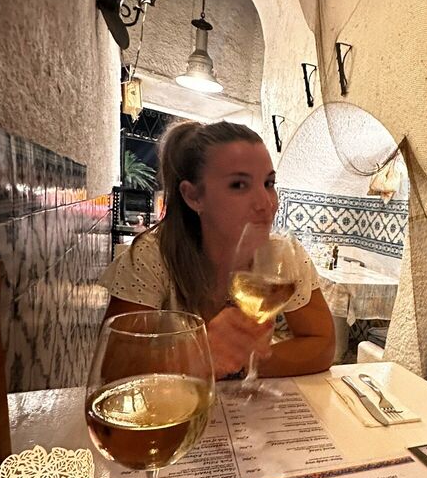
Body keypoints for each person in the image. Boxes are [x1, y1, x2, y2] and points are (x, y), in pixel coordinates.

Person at [100, 120, 335, 380]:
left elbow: (322, 345)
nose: (266, 203)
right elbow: (113, 367)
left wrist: (240, 363)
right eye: (239, 185)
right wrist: (203, 355)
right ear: (193, 196)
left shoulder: (283, 257)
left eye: (268, 183)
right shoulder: (153, 255)